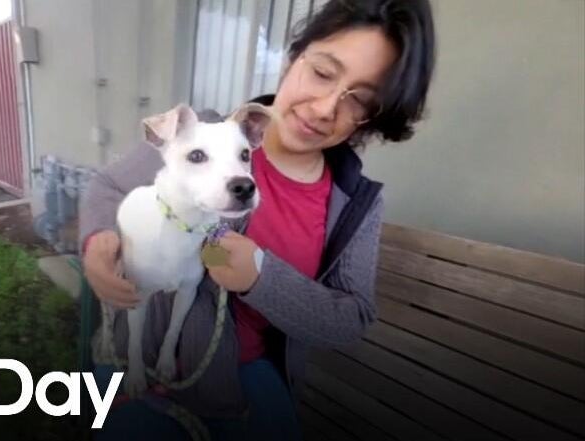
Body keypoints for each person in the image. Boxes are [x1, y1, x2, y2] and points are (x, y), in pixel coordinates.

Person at [79, 0, 436, 439]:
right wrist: (98, 241)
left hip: (249, 372)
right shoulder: (202, 135)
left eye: (360, 99)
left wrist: (261, 278)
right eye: (323, 72)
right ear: (293, 57)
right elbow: (108, 187)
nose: (325, 108)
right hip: (147, 356)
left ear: (374, 118)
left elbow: (351, 318)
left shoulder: (355, 202)